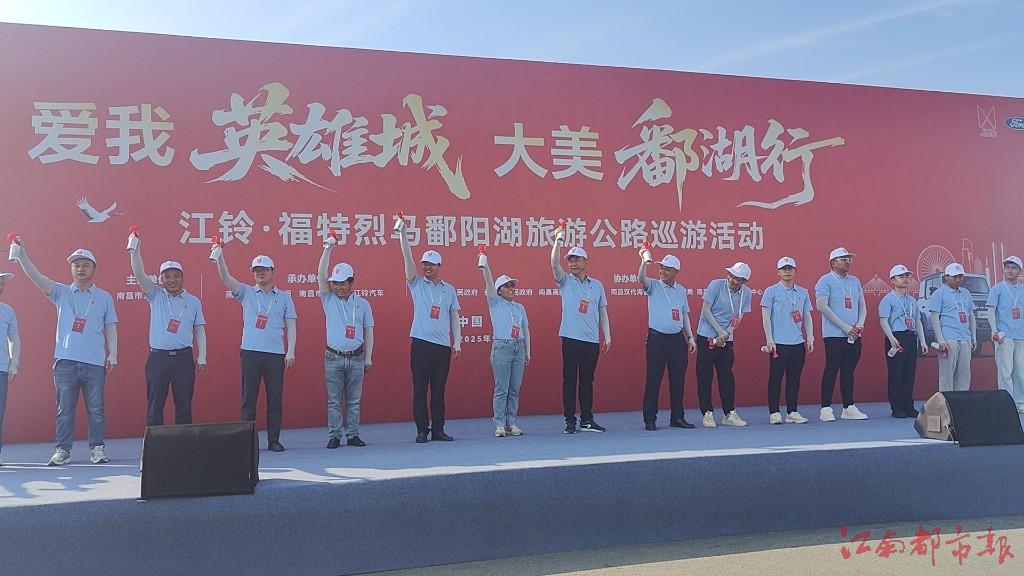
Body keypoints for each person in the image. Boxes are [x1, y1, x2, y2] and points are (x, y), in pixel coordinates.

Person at [16, 244, 117, 465]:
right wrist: (22, 255)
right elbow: (36, 277)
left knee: (96, 409)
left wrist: (113, 354)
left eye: (86, 265)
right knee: (65, 410)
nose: (81, 269)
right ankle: (62, 450)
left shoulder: (104, 297)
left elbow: (110, 326)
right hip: (65, 362)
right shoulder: (61, 292)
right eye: (76, 265)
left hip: (94, 362)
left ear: (93, 268)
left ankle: (97, 448)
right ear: (71, 269)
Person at [213, 251, 296, 452]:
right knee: (248, 399)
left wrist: (291, 351)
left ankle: (273, 440)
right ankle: (247, 441)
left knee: (274, 399)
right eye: (256, 270)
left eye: (264, 270)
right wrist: (219, 257)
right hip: (250, 352)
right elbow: (226, 278)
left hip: (275, 354)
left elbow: (291, 326)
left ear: (272, 271)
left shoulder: (284, 297)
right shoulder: (246, 292)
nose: (260, 273)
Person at [129, 235, 207, 426]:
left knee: (184, 404)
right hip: (158, 359)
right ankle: (155, 442)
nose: (172, 280)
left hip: (184, 358)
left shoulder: (193, 301)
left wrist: (202, 356)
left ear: (182, 277)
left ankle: (184, 440)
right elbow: (139, 273)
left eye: (176, 275)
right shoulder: (155, 295)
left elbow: (199, 330)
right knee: (155, 404)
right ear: (161, 279)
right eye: (167, 276)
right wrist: (135, 249)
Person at [396, 217, 461, 443]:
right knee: (420, 390)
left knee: (439, 391)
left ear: (439, 266)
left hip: (442, 346)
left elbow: (454, 317)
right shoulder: (416, 284)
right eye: (424, 263)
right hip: (421, 344)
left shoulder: (449, 290)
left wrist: (457, 341)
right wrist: (403, 234)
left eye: (431, 264)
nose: (426, 267)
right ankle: (422, 430)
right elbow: (407, 257)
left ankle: (438, 429)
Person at [551, 225, 610, 434]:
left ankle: (587, 419)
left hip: (591, 340)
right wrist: (558, 240)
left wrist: (607, 336)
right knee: (569, 380)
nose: (573, 263)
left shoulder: (597, 285)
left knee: (587, 381)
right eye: (570, 260)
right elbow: (554, 263)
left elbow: (602, 311)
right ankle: (570, 421)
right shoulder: (565, 281)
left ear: (586, 262)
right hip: (570, 338)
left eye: (577, 259)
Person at [317, 242, 374, 448]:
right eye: (335, 283)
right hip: (333, 357)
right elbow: (320, 275)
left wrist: (368, 358)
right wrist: (328, 249)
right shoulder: (328, 299)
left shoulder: (363, 304)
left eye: (342, 283)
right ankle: (334, 435)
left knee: (353, 400)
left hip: (357, 357)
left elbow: (369, 331)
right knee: (334, 400)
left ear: (352, 282)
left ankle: (352, 435)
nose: (338, 287)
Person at [639, 253, 696, 431]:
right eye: (661, 268)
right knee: (653, 379)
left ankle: (677, 417)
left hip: (677, 340)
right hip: (657, 339)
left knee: (678, 380)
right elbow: (641, 278)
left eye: (667, 269)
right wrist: (644, 262)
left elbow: (684, 314)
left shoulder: (681, 291)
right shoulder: (654, 285)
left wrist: (690, 337)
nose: (662, 271)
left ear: (676, 271)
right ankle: (650, 418)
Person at [696, 262, 752, 428]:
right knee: (705, 376)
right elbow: (705, 311)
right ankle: (707, 413)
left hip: (727, 339)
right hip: (707, 335)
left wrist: (726, 333)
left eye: (738, 278)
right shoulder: (715, 285)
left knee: (726, 376)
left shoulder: (747, 294)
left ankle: (729, 413)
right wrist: (719, 331)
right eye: (731, 276)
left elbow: (738, 317)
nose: (733, 280)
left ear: (744, 281)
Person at [480, 254, 530, 437]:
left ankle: (511, 423)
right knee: (502, 389)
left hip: (519, 348)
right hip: (502, 347)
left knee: (514, 388)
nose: (511, 288)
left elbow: (525, 330)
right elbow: (489, 283)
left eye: (512, 285)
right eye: (507, 286)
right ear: (499, 290)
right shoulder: (494, 303)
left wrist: (528, 352)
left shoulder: (520, 308)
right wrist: (485, 264)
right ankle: (500, 424)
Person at [816, 247, 868, 421]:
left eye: (849, 259)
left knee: (849, 370)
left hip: (854, 335)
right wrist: (846, 328)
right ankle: (825, 408)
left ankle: (849, 407)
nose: (847, 262)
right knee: (832, 369)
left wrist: (859, 325)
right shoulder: (825, 281)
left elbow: (862, 305)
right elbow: (822, 306)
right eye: (843, 259)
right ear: (833, 263)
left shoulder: (855, 281)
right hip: (834, 335)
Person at [761, 257, 814, 425]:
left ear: (795, 271)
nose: (787, 271)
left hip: (797, 343)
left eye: (790, 268)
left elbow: (807, 315)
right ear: (778, 272)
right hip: (778, 343)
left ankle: (792, 411)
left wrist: (810, 336)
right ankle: (774, 412)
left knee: (794, 380)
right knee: (775, 379)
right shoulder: (771, 291)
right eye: (784, 269)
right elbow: (766, 317)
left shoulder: (803, 292)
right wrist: (769, 339)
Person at [878, 264, 928, 418]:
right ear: (892, 280)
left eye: (907, 276)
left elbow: (917, 321)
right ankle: (897, 407)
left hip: (911, 337)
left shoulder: (912, 300)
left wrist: (923, 341)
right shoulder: (888, 299)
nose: (905, 279)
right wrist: (891, 338)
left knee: (909, 373)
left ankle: (908, 406)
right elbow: (883, 321)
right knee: (896, 373)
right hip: (896, 337)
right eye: (901, 277)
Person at [929, 262, 975, 392]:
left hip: (965, 338)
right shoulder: (939, 293)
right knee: (947, 375)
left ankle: (962, 401)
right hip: (949, 339)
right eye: (954, 277)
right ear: (946, 277)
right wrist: (941, 340)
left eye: (960, 276)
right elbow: (934, 318)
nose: (958, 279)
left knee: (964, 376)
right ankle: (946, 402)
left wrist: (973, 337)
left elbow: (971, 316)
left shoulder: (966, 293)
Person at [986, 256, 1024, 414]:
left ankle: (1020, 401)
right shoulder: (997, 289)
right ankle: (1007, 402)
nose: (1010, 271)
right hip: (1004, 335)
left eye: (1014, 268)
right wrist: (994, 330)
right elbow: (990, 311)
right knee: (1005, 371)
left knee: (1020, 370)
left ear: (1020, 271)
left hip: (1021, 336)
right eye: (1007, 267)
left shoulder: (1022, 289)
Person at [0, 271, 20, 466]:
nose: (1, 286)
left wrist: (14, 362)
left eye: (2, 283)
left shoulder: (7, 311)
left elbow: (13, 338)